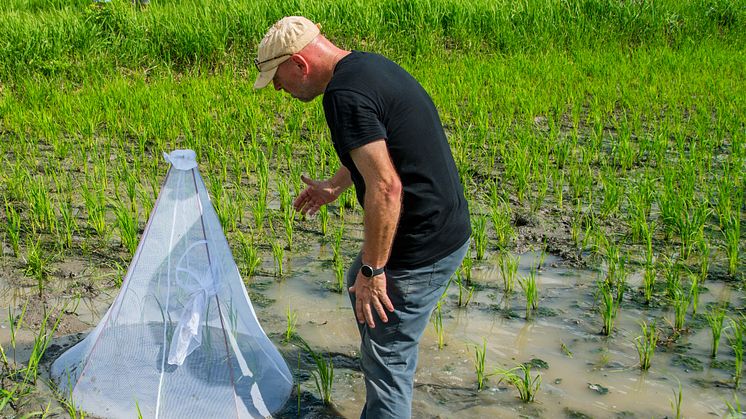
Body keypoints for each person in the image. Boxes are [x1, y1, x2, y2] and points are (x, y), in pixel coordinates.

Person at [254, 16, 471, 418]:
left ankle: (390, 368)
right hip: (445, 226)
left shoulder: (343, 97)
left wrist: (374, 272)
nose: (279, 89)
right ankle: (392, 344)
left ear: (299, 64)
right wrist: (335, 187)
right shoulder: (364, 66)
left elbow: (387, 188)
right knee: (361, 293)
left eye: (278, 78)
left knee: (385, 362)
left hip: (423, 243)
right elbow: (376, 151)